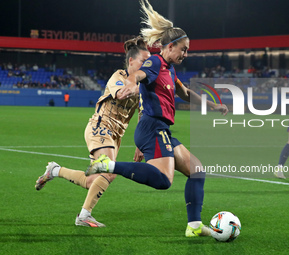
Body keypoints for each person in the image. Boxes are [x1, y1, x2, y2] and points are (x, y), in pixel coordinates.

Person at [86, 0, 228, 237]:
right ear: (170, 46)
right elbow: (139, 74)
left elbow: (185, 93)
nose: (186, 53)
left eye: (187, 50)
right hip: (152, 127)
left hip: (160, 129)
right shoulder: (155, 62)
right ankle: (108, 165)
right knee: (163, 179)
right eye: (183, 49)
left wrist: (212, 105)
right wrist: (130, 85)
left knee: (197, 170)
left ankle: (194, 227)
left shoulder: (169, 69)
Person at [35, 37, 151, 227]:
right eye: (143, 62)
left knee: (93, 182)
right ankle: (83, 216)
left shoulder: (143, 86)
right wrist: (143, 89)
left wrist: (140, 145)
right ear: (131, 61)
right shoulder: (119, 76)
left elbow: (142, 115)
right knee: (109, 171)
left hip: (115, 136)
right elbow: (122, 94)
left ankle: (54, 170)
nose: (146, 66)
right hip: (100, 126)